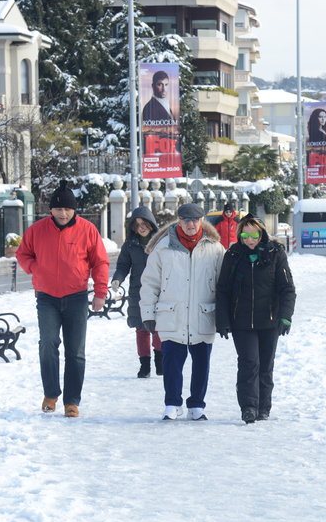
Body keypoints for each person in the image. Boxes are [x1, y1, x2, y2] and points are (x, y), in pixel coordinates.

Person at [16, 180, 109, 418]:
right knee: (48, 344)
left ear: (74, 209)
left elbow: (100, 262)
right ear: (51, 210)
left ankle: (72, 401)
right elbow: (23, 254)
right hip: (47, 297)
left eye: (67, 209)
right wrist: (36, 268)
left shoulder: (88, 230)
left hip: (76, 296)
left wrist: (100, 293)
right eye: (58, 209)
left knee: (75, 351)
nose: (63, 213)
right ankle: (50, 394)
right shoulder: (37, 230)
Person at [140, 203, 224, 421]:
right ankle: (172, 403)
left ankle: (197, 404)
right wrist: (148, 313)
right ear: (179, 220)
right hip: (171, 314)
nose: (190, 224)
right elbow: (150, 282)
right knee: (172, 363)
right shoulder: (163, 247)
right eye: (186, 219)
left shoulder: (215, 248)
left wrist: (225, 316)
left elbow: (223, 284)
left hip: (203, 314)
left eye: (195, 219)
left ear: (202, 220)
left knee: (202, 363)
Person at [216, 214, 296, 424]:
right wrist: (222, 319)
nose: (250, 240)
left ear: (262, 234)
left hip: (269, 321)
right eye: (245, 235)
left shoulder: (275, 253)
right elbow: (223, 290)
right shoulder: (233, 255)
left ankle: (263, 407)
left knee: (265, 366)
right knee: (249, 363)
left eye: (254, 235)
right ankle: (249, 407)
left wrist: (285, 316)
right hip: (241, 322)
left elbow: (287, 288)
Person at [110, 206, 162, 378]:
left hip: (159, 291)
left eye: (144, 223)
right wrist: (117, 279)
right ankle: (144, 365)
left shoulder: (161, 242)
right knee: (141, 328)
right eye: (137, 224)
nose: (141, 227)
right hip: (138, 292)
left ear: (151, 223)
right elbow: (123, 265)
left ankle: (160, 361)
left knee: (159, 327)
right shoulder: (130, 245)